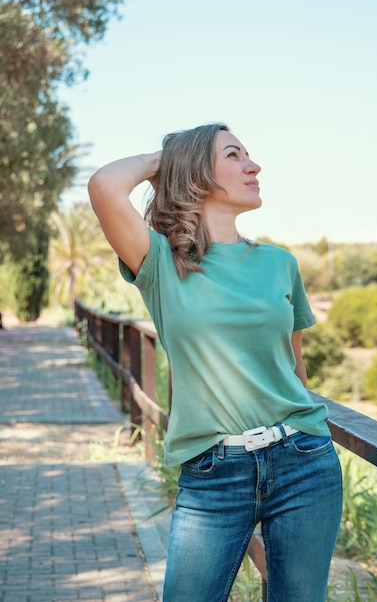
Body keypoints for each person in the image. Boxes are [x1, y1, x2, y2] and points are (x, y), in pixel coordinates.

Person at [88, 123, 342, 601]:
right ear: (197, 175)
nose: (254, 164)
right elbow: (104, 185)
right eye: (234, 154)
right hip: (213, 473)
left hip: (304, 460)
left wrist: (306, 433)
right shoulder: (159, 260)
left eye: (249, 154)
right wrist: (167, 161)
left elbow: (294, 371)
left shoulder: (280, 263)